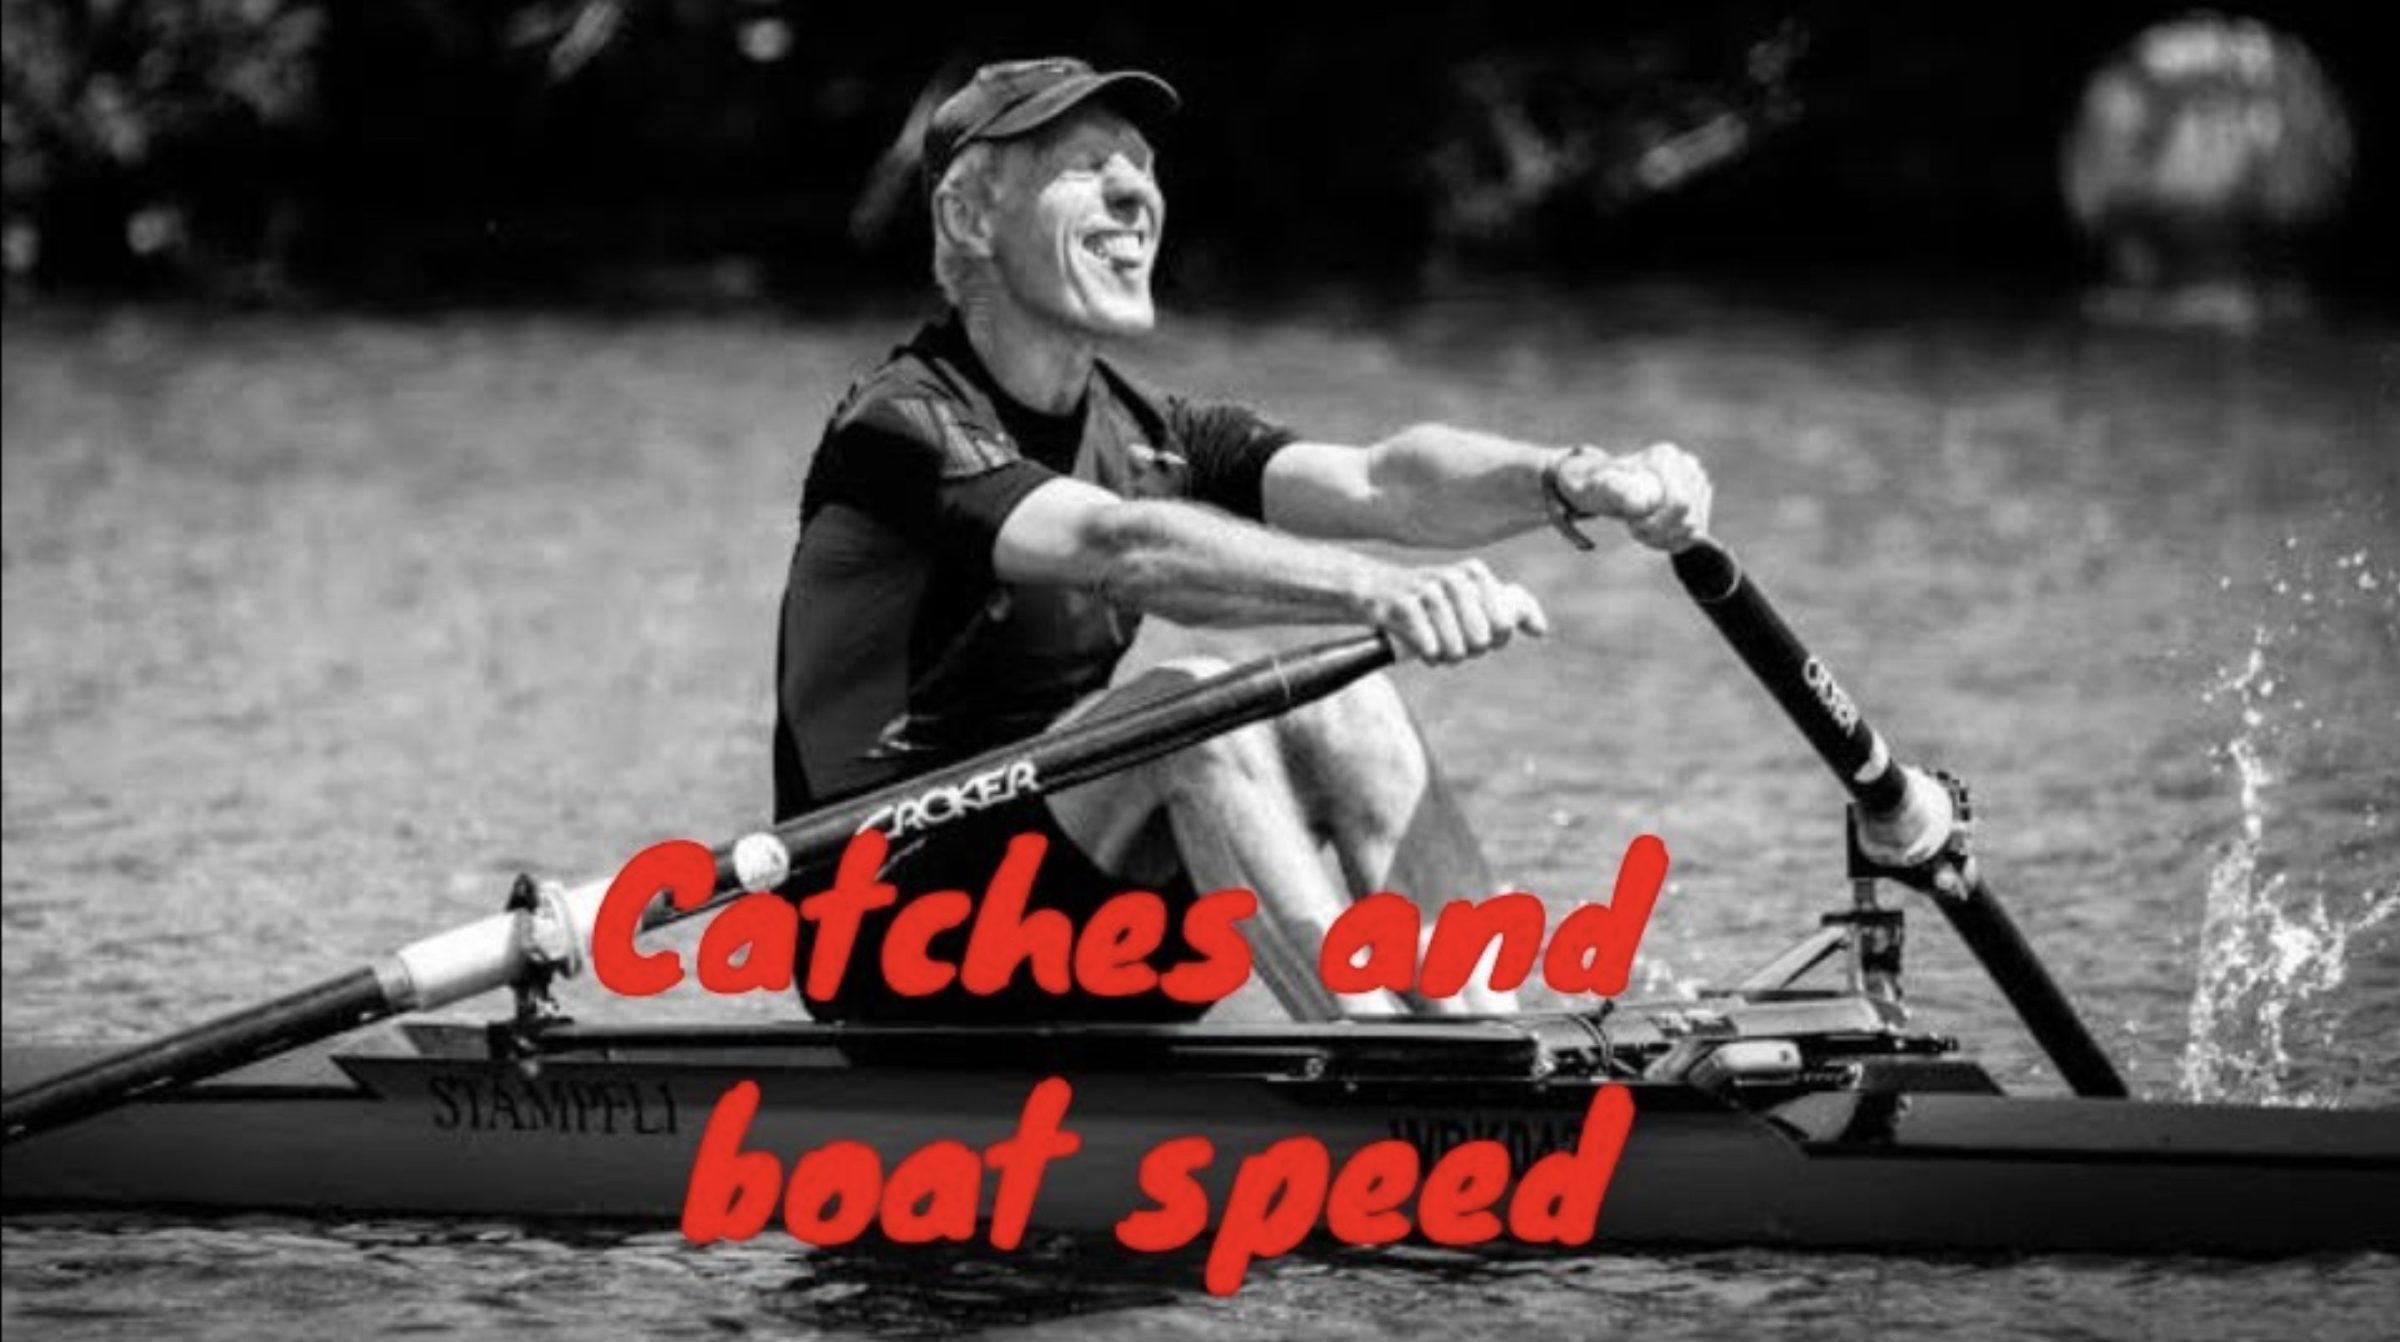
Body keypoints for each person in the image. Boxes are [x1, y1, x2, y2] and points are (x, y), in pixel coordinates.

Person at [772, 57, 1713, 1025]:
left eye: (1142, 166)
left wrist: (1571, 477)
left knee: (1353, 707)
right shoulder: (899, 426)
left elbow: (1382, 481)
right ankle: (1376, 1069)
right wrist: (1377, 593)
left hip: (1073, 917)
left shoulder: (1149, 431)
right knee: (1188, 711)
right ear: (970, 216)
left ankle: (1485, 1046)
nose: (1136, 193)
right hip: (890, 944)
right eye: (1089, 166)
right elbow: (1120, 546)